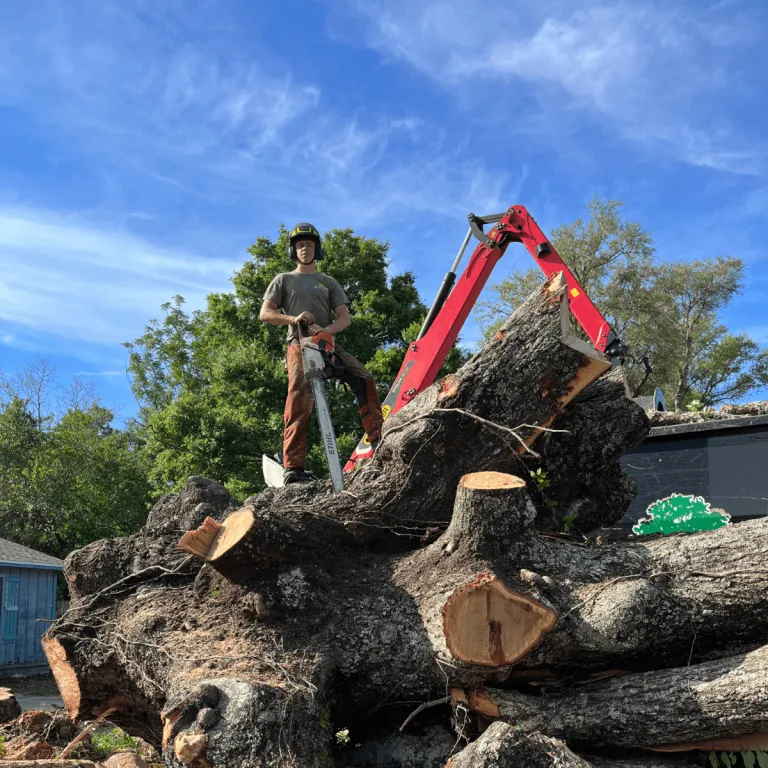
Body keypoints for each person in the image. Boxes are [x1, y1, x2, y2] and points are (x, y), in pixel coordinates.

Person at [260, 223, 384, 484]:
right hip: (298, 343)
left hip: (326, 344)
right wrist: (294, 318)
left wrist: (325, 330)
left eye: (310, 245)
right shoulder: (283, 279)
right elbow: (266, 314)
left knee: (363, 378)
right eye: (300, 245)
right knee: (298, 393)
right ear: (294, 251)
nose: (305, 249)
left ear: (317, 249)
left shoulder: (328, 282)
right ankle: (293, 466)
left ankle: (380, 442)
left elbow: (345, 318)